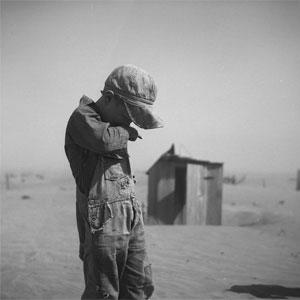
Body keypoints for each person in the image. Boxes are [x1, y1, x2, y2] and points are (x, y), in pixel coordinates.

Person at [64, 64, 163, 300]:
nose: (130, 122)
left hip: (129, 212)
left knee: (139, 284)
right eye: (128, 114)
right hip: (103, 218)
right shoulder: (83, 117)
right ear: (108, 98)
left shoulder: (111, 123)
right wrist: (127, 133)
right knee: (104, 290)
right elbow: (104, 140)